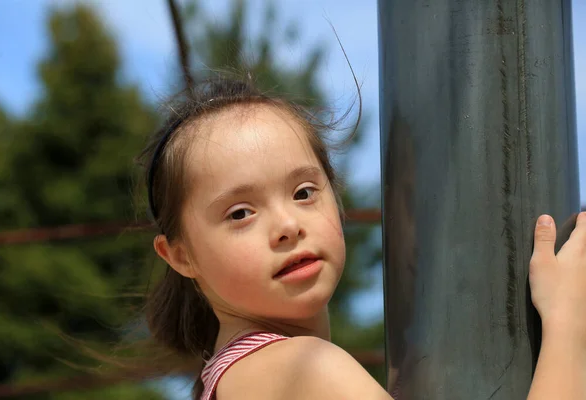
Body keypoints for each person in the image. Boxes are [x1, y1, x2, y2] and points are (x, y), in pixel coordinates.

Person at [139, 76, 586, 399]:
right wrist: (568, 324)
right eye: (240, 213)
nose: (287, 226)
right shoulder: (302, 369)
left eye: (303, 192)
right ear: (179, 255)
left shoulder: (233, 377)